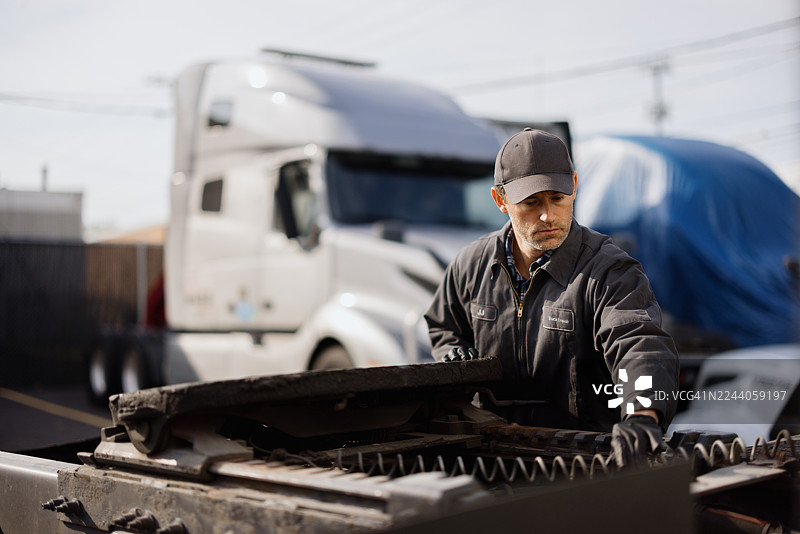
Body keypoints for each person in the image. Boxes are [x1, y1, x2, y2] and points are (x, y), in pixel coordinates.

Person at [424, 128, 679, 468]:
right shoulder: (471, 265)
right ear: (500, 200)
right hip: (490, 456)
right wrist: (453, 357)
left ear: (573, 185)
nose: (548, 215)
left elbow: (638, 342)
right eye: (531, 202)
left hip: (582, 462)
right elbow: (444, 327)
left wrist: (642, 414)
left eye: (557, 198)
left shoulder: (608, 270)